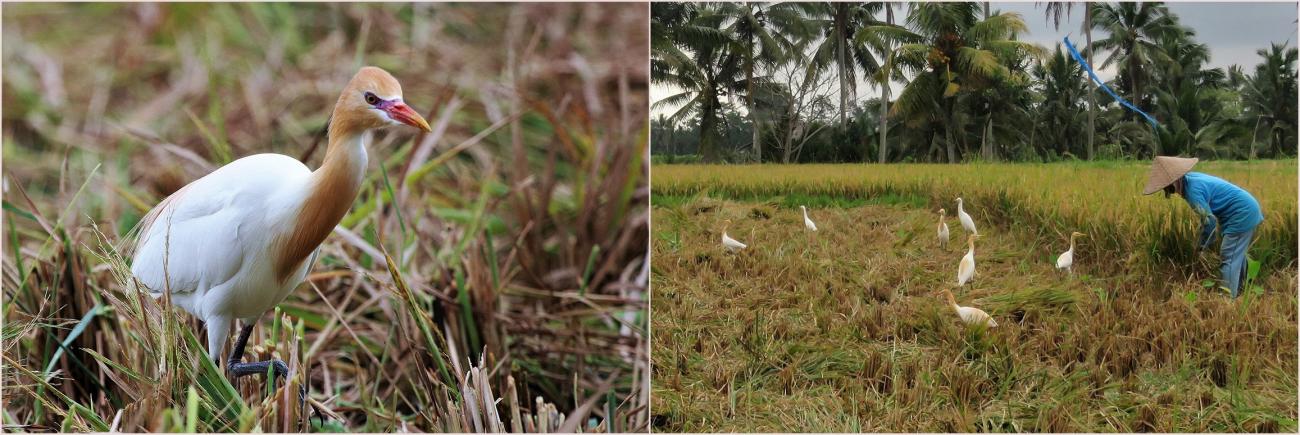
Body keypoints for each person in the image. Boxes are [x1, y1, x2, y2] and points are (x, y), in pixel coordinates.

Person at [1142, 156, 1263, 298]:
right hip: (1245, 209)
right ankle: (1241, 289)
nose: (1167, 191)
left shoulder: (1192, 191)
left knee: (1229, 256)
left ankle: (1227, 300)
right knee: (1236, 254)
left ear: (1174, 182)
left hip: (1242, 214)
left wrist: (1201, 247)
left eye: (1167, 187)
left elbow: (1209, 221)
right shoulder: (1191, 180)